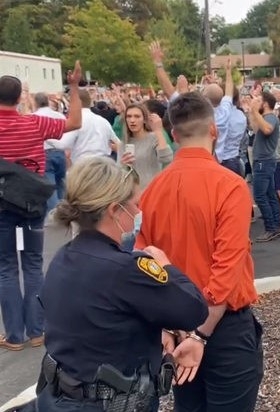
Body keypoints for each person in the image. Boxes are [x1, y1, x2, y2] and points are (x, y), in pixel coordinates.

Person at [37, 157, 209, 411]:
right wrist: (167, 267)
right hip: (110, 403)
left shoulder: (64, 258)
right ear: (114, 210)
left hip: (60, 396)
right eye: (134, 205)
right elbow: (194, 310)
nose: (139, 212)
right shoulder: (126, 270)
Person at [135, 92, 263, 412]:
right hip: (221, 329)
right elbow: (226, 271)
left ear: (174, 135)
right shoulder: (230, 186)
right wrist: (200, 335)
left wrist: (166, 326)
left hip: (177, 324)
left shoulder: (153, 191)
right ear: (214, 130)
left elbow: (143, 262)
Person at [0, 62, 83, 351]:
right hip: (30, 204)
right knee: (33, 265)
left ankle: (14, 335)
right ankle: (37, 331)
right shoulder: (34, 123)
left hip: (1, 205)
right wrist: (73, 86)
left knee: (6, 268)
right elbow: (74, 122)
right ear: (20, 98)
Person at [245, 91, 280, 242]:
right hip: (264, 161)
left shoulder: (271, 117)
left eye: (259, 100)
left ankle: (271, 228)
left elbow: (267, 129)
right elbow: (256, 128)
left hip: (264, 161)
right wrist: (252, 112)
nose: (257, 102)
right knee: (270, 194)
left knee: (260, 196)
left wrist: (255, 111)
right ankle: (276, 225)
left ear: (265, 104)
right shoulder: (266, 118)